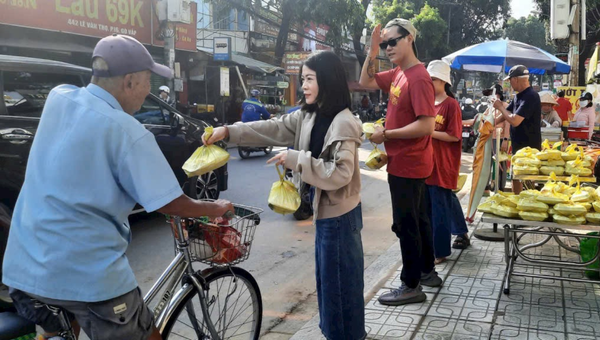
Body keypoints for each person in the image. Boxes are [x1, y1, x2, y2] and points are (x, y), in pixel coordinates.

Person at [2, 34, 234, 340]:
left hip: (23, 269)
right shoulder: (127, 131)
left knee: (60, 328)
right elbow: (169, 202)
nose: (150, 90)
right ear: (129, 82)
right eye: (147, 80)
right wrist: (213, 207)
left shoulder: (59, 97)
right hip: (89, 278)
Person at [204, 51, 366, 340]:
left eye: (309, 79)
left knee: (341, 290)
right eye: (302, 79)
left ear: (326, 81)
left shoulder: (344, 122)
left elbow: (340, 173)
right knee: (330, 287)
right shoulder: (307, 115)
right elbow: (273, 128)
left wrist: (296, 160)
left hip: (341, 218)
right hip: (326, 214)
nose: (303, 85)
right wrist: (228, 131)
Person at [358, 18, 441, 306]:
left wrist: (387, 134)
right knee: (418, 220)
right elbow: (365, 81)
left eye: (393, 41)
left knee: (406, 224)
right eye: (384, 43)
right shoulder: (397, 74)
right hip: (406, 163)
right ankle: (427, 270)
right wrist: (371, 49)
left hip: (409, 163)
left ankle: (411, 284)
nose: (388, 47)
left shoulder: (418, 77)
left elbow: (427, 126)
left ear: (409, 39)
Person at [425, 60, 470, 264]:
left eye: (432, 79)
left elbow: (454, 135)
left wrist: (428, 132)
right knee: (428, 211)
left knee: (440, 212)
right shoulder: (425, 104)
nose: (428, 83)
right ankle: (431, 247)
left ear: (443, 81)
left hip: (442, 165)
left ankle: (440, 252)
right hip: (424, 165)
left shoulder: (451, 105)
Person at [493, 65, 541, 194]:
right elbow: (505, 115)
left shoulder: (531, 96)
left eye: (510, 81)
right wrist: (490, 123)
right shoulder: (518, 97)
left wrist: (499, 107)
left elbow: (514, 120)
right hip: (518, 146)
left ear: (515, 79)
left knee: (527, 179)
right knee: (515, 177)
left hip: (529, 148)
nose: (510, 84)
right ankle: (517, 201)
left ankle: (527, 204)